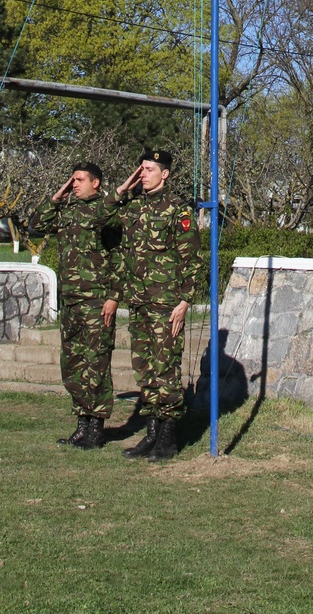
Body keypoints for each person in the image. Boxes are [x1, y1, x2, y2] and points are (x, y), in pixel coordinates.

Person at [107, 147, 200, 461]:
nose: (143, 174)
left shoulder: (178, 210)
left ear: (165, 174)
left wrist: (185, 300)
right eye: (141, 169)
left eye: (149, 169)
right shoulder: (132, 207)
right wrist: (122, 189)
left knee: (166, 370)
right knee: (144, 370)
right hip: (139, 303)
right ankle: (151, 433)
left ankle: (168, 438)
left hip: (165, 304)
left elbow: (192, 258)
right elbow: (102, 216)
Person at [34, 162, 118, 450]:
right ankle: (81, 422)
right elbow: (37, 224)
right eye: (71, 180)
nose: (74, 184)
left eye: (79, 180)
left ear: (95, 183)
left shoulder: (105, 211)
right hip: (70, 300)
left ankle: (97, 426)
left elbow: (120, 255)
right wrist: (57, 196)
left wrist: (114, 296)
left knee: (96, 362)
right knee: (72, 364)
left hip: (96, 300)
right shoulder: (67, 211)